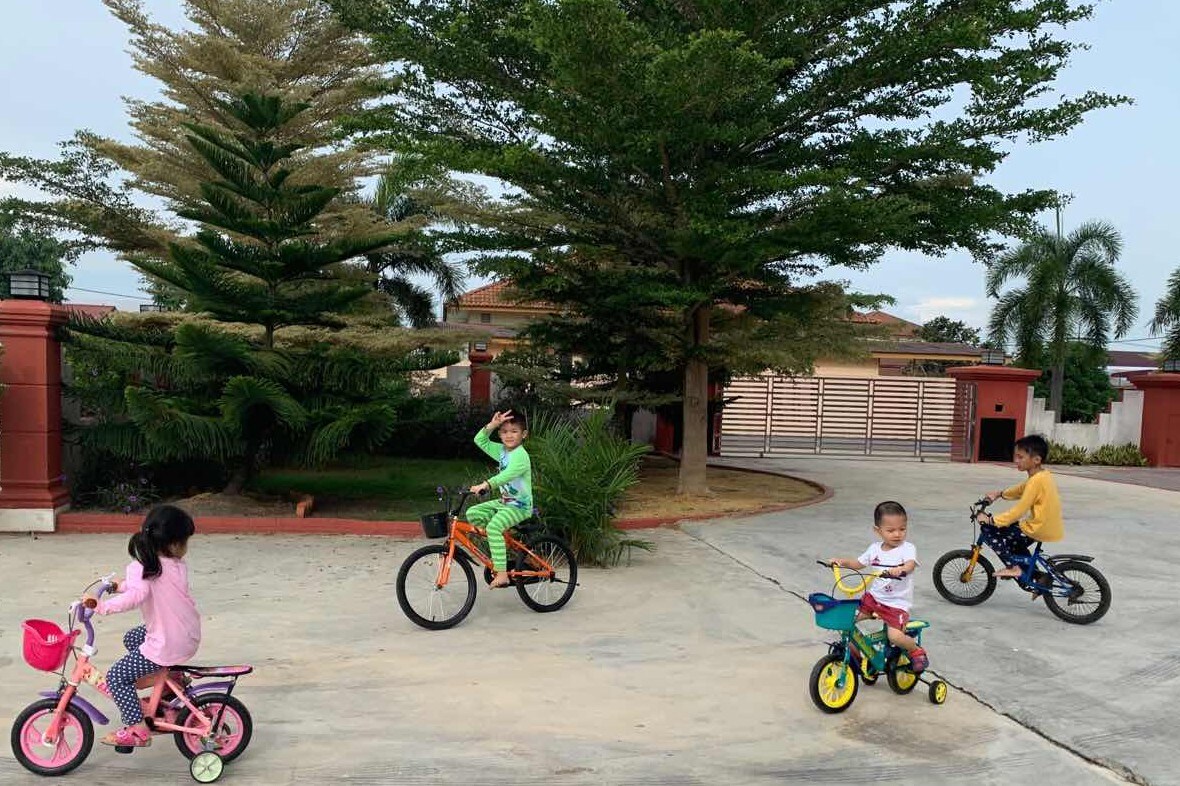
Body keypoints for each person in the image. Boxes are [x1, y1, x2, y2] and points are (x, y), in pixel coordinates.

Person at [83, 505, 200, 748]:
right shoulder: (174, 564)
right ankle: (171, 683)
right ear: (171, 544)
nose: (186, 548)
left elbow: (138, 595)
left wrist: (101, 607)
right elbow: (149, 584)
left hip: (167, 643)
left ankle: (137, 729)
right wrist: (120, 586)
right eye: (184, 541)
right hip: (187, 635)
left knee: (116, 677)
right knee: (132, 638)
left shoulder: (144, 567)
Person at [830, 501, 928, 672]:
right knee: (846, 622)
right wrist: (842, 562)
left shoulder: (907, 549)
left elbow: (910, 565)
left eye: (902, 529)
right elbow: (858, 563)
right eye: (891, 530)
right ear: (878, 530)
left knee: (895, 636)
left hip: (896, 604)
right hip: (874, 599)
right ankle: (857, 655)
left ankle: (916, 651)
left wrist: (901, 569)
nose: (897, 534)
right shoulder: (874, 549)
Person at [980, 433, 1063, 579]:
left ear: (1036, 460)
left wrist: (992, 520)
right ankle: (1037, 578)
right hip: (1049, 525)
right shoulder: (1043, 475)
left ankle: (1014, 568)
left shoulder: (1035, 481)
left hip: (1038, 527)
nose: (1015, 460)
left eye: (1020, 457)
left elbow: (1019, 510)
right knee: (1013, 539)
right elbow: (1020, 489)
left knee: (989, 530)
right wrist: (999, 494)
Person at [469, 410, 534, 588]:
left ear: (524, 434)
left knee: (494, 527)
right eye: (504, 431)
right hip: (505, 502)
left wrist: (486, 484)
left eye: (514, 431)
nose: (509, 435)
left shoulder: (521, 455)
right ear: (500, 434)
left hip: (519, 505)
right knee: (473, 513)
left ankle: (503, 574)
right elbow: (479, 440)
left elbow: (506, 476)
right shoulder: (502, 451)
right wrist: (493, 425)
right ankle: (500, 543)